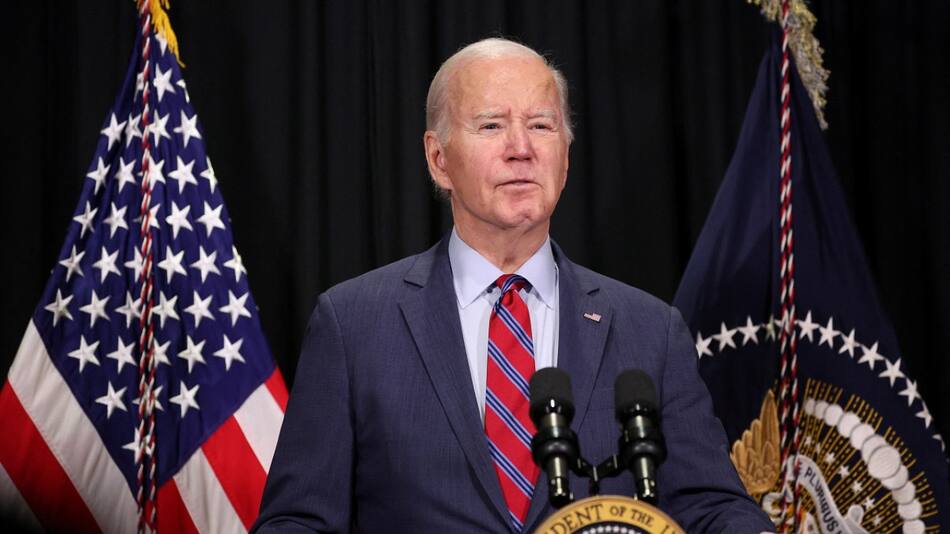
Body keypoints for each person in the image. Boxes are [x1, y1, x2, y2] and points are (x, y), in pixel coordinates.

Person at [253, 38, 775, 533]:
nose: (521, 148)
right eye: (491, 125)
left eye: (542, 125)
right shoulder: (353, 324)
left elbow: (710, 507)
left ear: (565, 157)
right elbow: (298, 521)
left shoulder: (651, 330)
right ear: (439, 160)